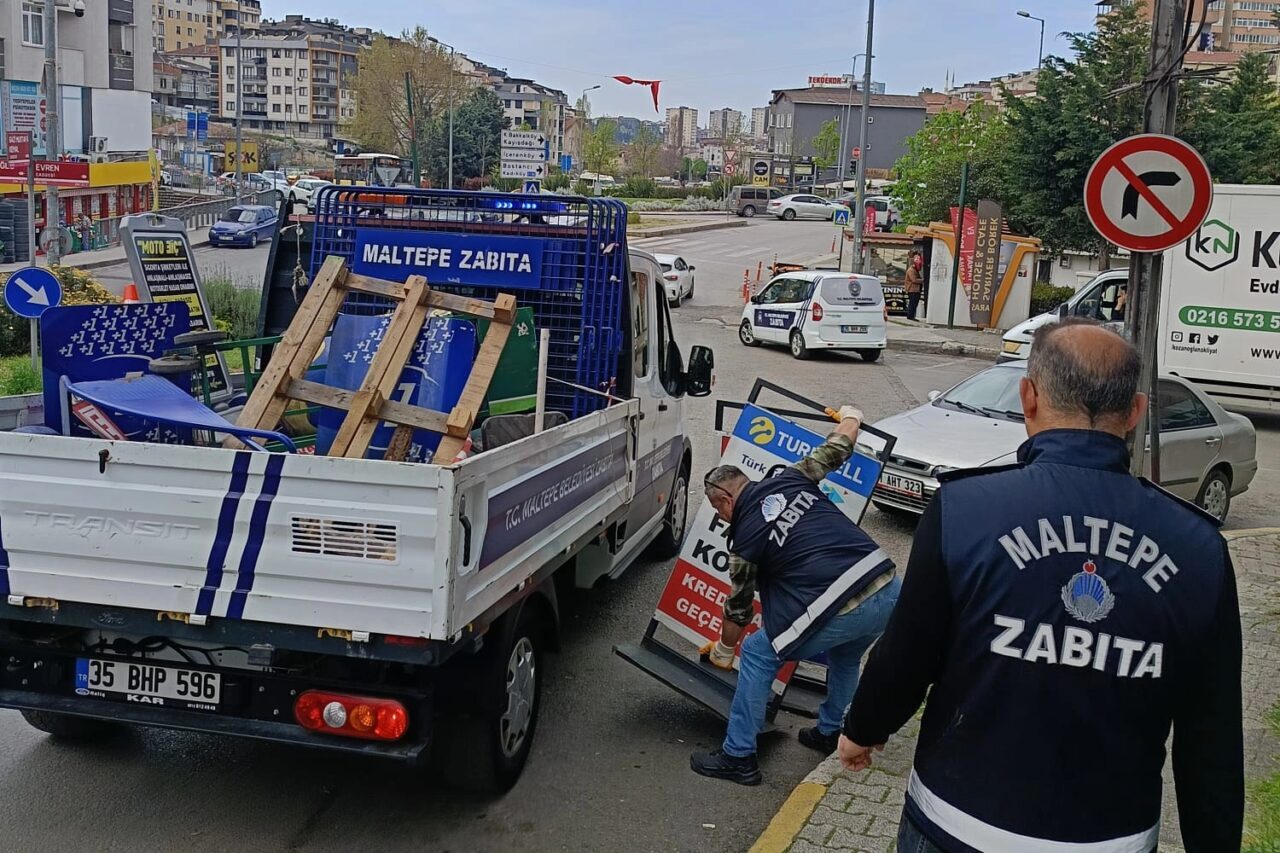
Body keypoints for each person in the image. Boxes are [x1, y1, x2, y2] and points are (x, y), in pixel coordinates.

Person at [838, 318, 1243, 852]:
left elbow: (908, 653)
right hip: (1111, 838)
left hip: (958, 821)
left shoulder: (965, 509)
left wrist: (864, 729)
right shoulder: (1198, 548)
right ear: (1136, 412)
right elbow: (1212, 737)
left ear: (1028, 397)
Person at [690, 407, 900, 786]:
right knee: (845, 655)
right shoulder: (792, 477)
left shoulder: (745, 540)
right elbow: (839, 446)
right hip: (887, 586)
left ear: (723, 499)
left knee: (757, 653)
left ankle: (738, 756)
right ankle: (831, 730)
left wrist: (724, 650)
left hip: (844, 601)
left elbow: (738, 610)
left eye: (716, 509)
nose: (720, 517)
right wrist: (852, 416)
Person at [905, 250, 924, 321]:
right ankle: (910, 316)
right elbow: (914, 280)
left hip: (916, 290)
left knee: (914, 304)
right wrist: (922, 280)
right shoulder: (911, 270)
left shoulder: (915, 270)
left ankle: (912, 316)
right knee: (912, 304)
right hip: (912, 290)